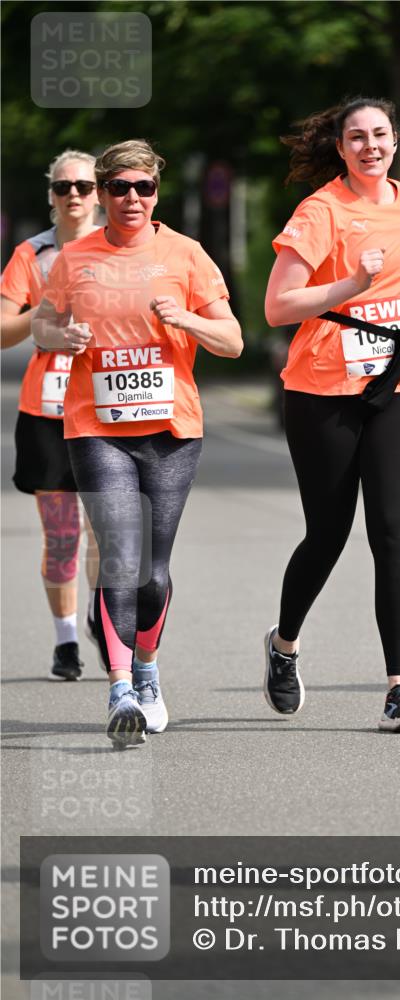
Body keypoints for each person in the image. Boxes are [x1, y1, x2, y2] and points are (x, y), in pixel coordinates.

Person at [263, 96, 400, 732]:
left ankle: (399, 692)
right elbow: (278, 307)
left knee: (392, 532)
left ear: (395, 141)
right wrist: (351, 285)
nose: (369, 146)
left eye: (380, 134)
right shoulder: (320, 211)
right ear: (340, 148)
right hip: (324, 388)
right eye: (356, 137)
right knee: (328, 534)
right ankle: (284, 645)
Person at [32, 139, 243, 748]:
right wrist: (61, 336)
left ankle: (148, 672)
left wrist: (186, 319)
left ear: (156, 192)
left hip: (171, 431)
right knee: (121, 555)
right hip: (96, 428)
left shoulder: (186, 253)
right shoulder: (75, 257)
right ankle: (120, 687)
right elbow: (42, 323)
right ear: (102, 194)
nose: (131, 198)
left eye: (143, 187)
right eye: (119, 187)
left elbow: (232, 341)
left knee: (152, 571)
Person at [1, 150, 101, 680]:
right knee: (63, 535)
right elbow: (2, 331)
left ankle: (101, 618)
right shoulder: (33, 254)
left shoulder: (122, 246)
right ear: (52, 196)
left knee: (105, 533)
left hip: (108, 407)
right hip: (47, 408)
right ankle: (66, 642)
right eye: (64, 187)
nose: (74, 195)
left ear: (98, 193)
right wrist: (40, 313)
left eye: (83, 186)